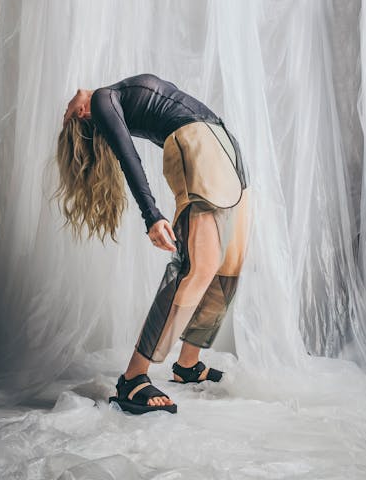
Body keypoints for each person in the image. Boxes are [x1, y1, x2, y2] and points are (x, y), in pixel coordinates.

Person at [56, 73, 249, 415]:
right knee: (198, 267)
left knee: (227, 268)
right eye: (68, 116)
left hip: (223, 147)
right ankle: (133, 378)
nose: (65, 112)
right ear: (82, 116)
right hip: (198, 145)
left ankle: (188, 365)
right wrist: (152, 215)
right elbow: (128, 156)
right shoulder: (102, 100)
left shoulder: (111, 96)